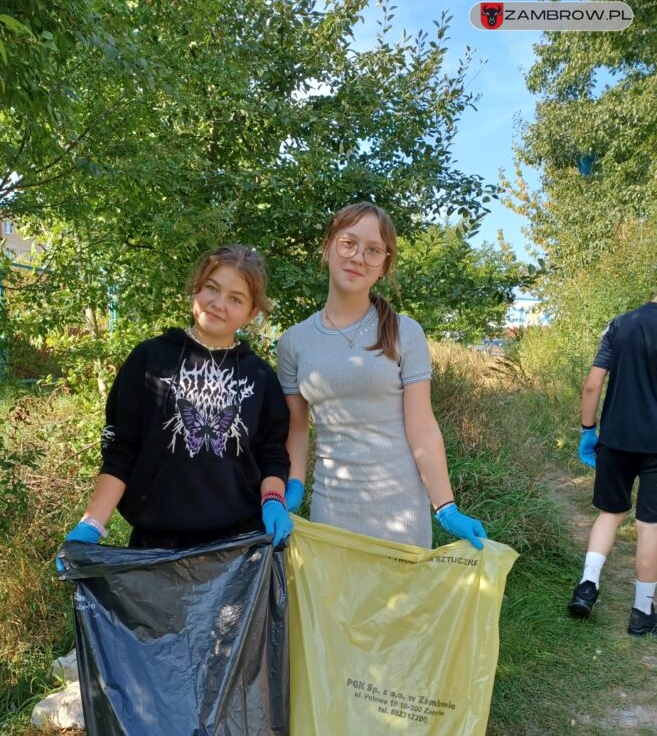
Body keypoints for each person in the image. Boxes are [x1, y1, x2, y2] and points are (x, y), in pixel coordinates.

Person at [275, 201, 486, 550]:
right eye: (348, 243)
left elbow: (422, 426)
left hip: (401, 511)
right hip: (332, 508)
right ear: (327, 248)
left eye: (373, 250)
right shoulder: (293, 341)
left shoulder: (406, 332)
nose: (358, 257)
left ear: (384, 266)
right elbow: (297, 427)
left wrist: (446, 506)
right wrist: (293, 486)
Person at [59, 245, 293, 555]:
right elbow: (121, 449)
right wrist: (92, 524)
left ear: (251, 313)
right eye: (212, 288)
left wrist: (273, 502)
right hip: (156, 546)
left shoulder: (260, 377)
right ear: (196, 287)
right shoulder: (150, 360)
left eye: (235, 298)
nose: (219, 303)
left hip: (239, 547)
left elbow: (272, 453)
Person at [567, 298, 657, 635]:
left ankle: (587, 587)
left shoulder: (619, 324)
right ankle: (641, 611)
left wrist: (588, 431)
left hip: (616, 439)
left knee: (610, 513)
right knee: (650, 526)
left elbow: (592, 385)